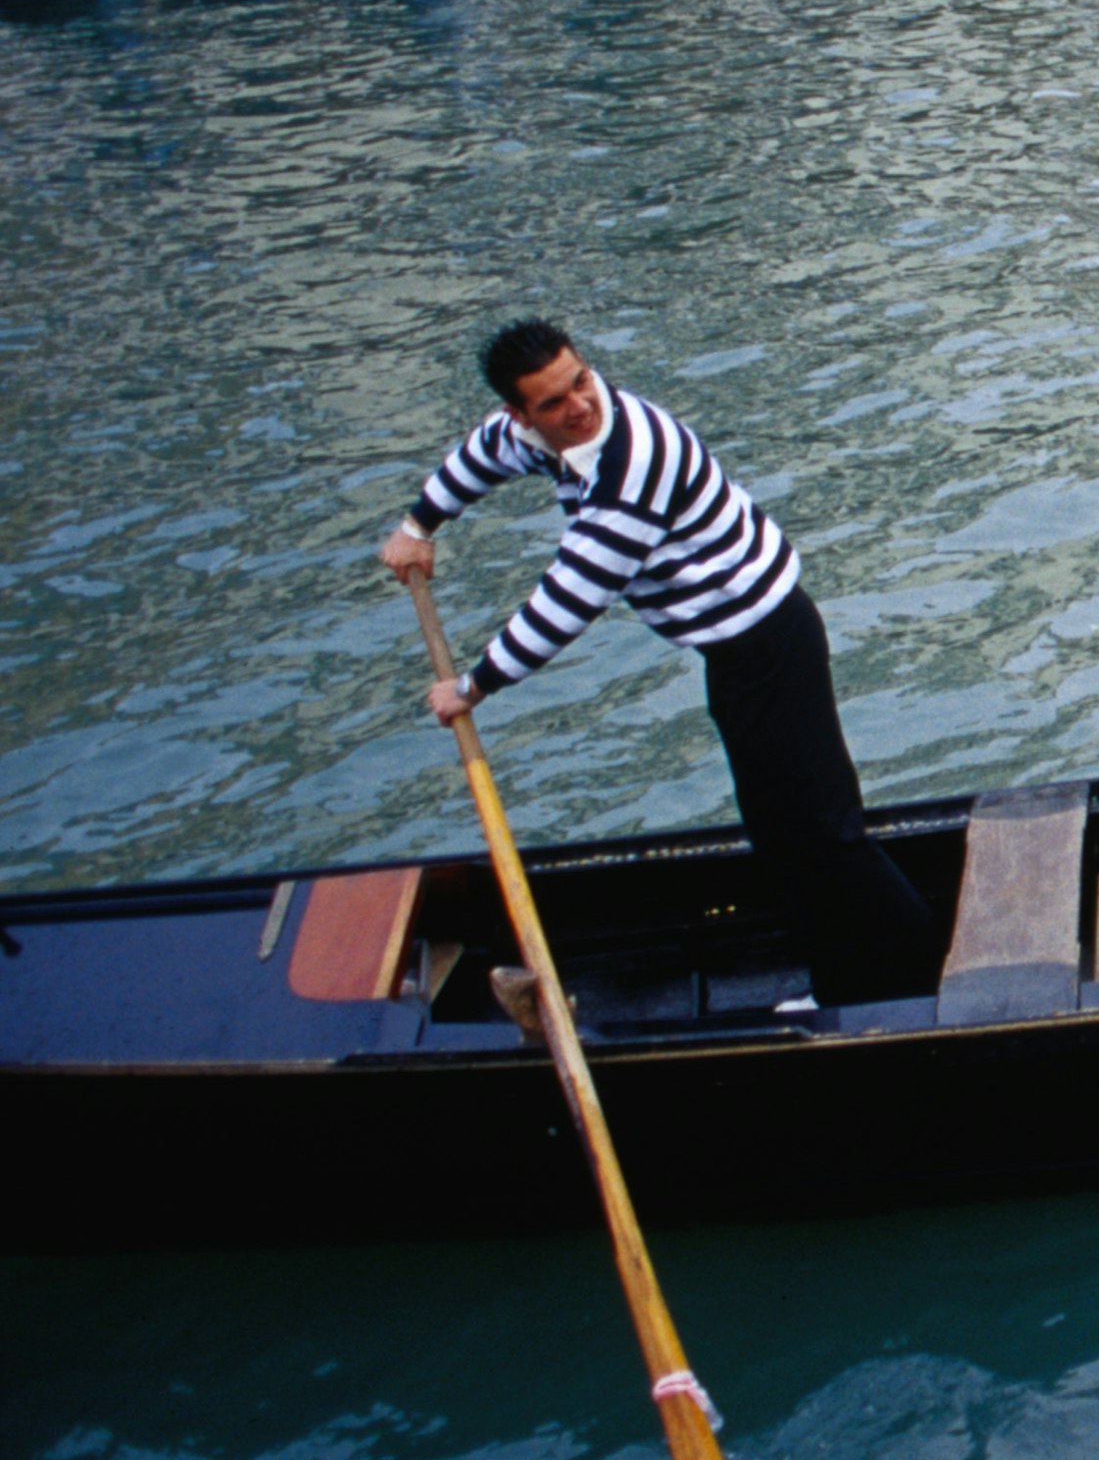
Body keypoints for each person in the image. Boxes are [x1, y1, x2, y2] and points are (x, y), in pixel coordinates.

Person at [377, 321, 928, 1011]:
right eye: (553, 401)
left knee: (821, 835)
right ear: (524, 414)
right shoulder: (528, 432)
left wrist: (471, 687)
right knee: (781, 835)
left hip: (770, 646)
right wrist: (420, 524)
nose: (580, 404)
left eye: (581, 379)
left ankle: (900, 986)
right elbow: (485, 452)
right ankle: (854, 980)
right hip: (735, 656)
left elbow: (570, 599)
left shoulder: (631, 465)